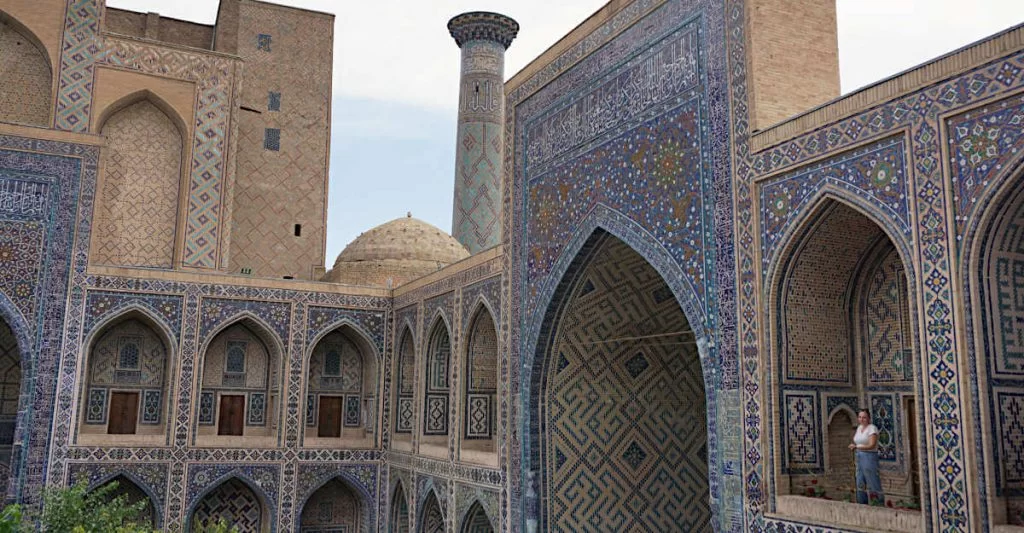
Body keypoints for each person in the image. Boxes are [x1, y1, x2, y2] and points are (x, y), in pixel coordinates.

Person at [848, 408, 883, 505]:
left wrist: (857, 447)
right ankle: (862, 504)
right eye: (860, 417)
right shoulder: (859, 428)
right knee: (860, 481)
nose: (861, 419)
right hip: (859, 456)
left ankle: (877, 504)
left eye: (864, 417)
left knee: (872, 481)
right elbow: (857, 441)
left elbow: (872, 445)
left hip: (869, 457)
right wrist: (855, 447)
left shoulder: (872, 428)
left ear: (868, 418)